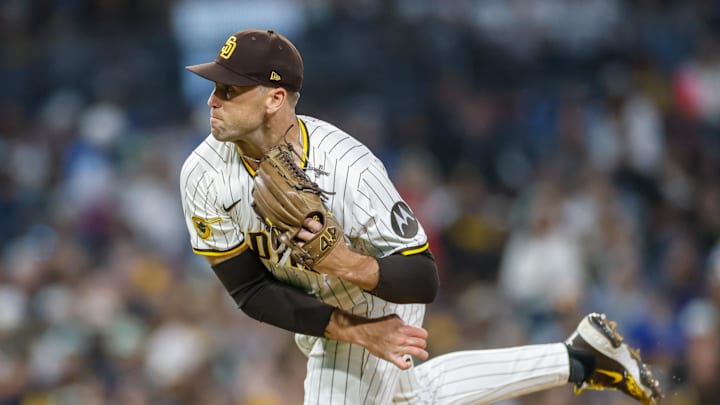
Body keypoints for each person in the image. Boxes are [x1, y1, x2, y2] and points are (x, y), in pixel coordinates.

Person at [179, 29, 662, 404]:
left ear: (274, 99)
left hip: (380, 290)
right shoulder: (203, 174)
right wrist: (349, 329)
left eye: (229, 88)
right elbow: (248, 290)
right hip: (322, 308)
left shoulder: (348, 169)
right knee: (419, 397)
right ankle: (581, 358)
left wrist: (344, 265)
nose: (212, 100)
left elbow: (421, 277)